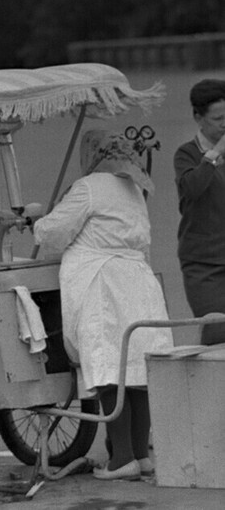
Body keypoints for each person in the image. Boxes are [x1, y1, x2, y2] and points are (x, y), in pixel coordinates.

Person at [32, 130, 172, 481]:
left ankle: (120, 459)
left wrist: (36, 219)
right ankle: (141, 455)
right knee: (138, 372)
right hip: (138, 281)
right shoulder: (133, 187)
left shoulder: (89, 187)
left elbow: (54, 234)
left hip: (102, 283)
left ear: (91, 154)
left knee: (110, 370)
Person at [173, 78, 225, 345]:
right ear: (198, 117)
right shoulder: (187, 155)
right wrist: (214, 154)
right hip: (205, 264)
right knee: (218, 333)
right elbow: (192, 190)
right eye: (218, 118)